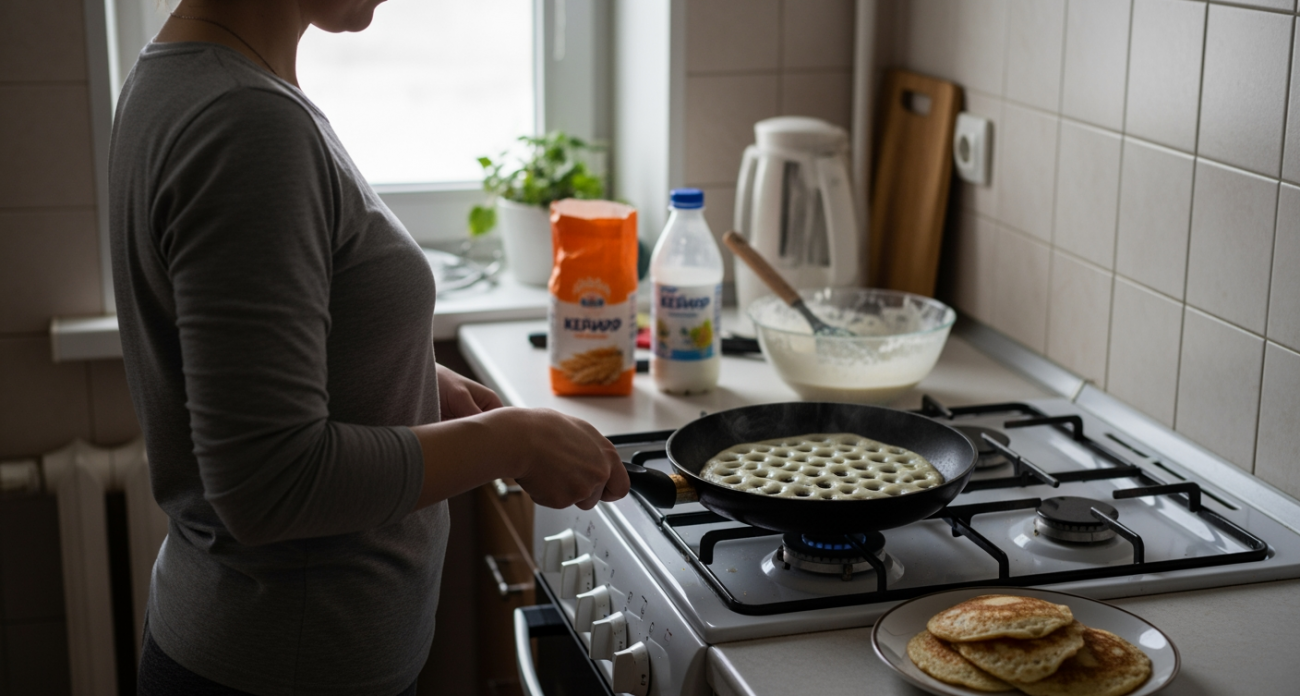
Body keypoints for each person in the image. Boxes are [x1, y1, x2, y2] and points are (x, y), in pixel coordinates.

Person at [109, 1, 630, 694]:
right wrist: (514, 442)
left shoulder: (183, 76)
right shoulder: (246, 123)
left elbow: (250, 352)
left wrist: (410, 374)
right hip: (288, 668)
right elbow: (271, 483)